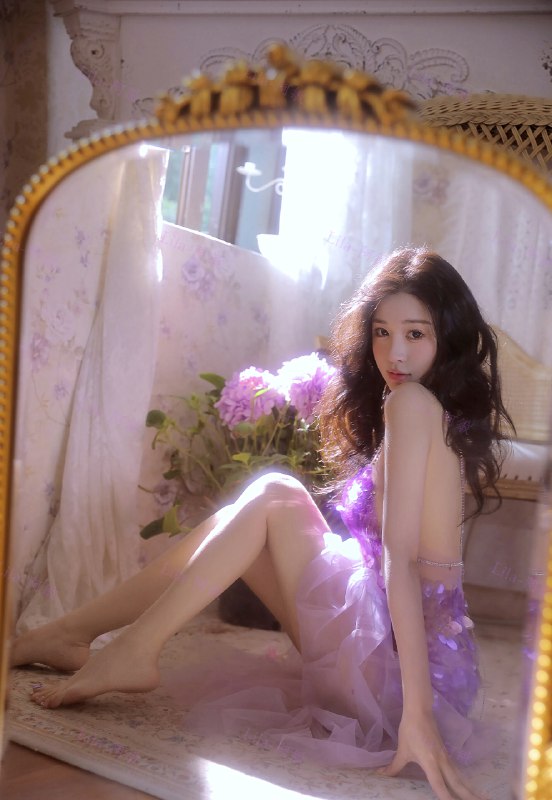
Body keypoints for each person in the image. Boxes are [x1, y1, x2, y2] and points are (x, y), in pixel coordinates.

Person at [12, 247, 511, 800]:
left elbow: (402, 564)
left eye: (415, 334)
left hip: (391, 677)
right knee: (249, 513)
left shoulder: (411, 404)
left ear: (448, 335)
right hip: (422, 672)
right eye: (381, 332)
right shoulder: (430, 407)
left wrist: (415, 714)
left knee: (274, 495)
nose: (394, 352)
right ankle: (70, 636)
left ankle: (122, 647)